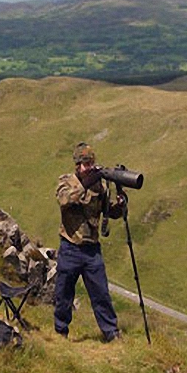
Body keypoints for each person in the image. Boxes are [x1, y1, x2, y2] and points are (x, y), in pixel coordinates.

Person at [54, 142, 124, 342]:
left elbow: (108, 212)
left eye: (91, 163)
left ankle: (111, 332)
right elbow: (65, 200)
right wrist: (85, 183)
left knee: (101, 293)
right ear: (77, 165)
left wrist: (120, 205)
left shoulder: (99, 187)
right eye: (85, 164)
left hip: (92, 249)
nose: (89, 167)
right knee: (64, 294)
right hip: (70, 247)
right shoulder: (66, 182)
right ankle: (60, 332)